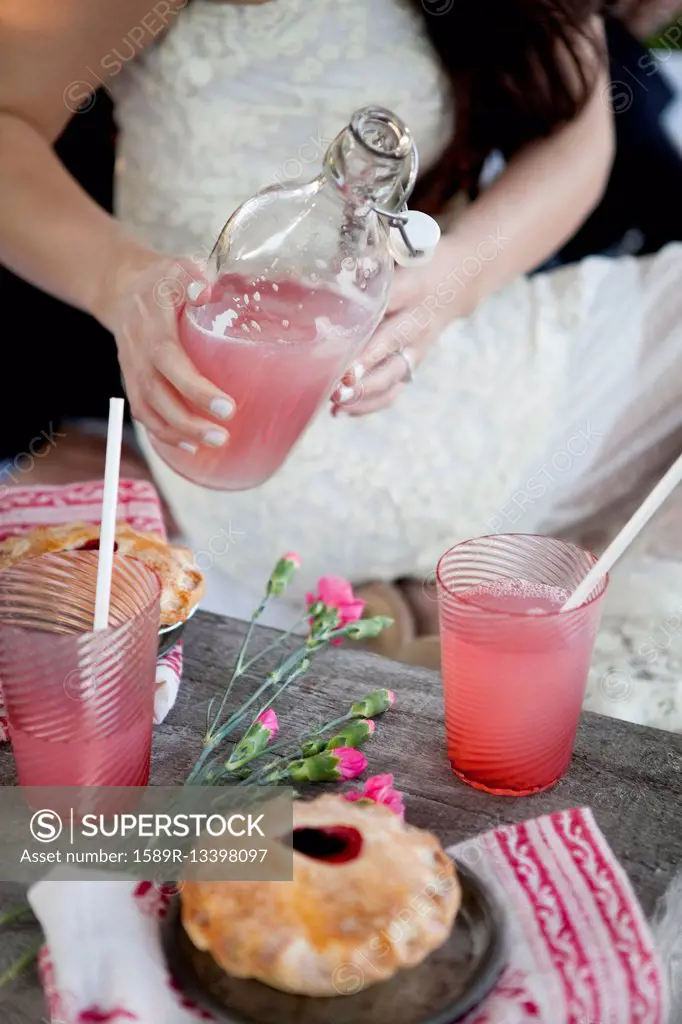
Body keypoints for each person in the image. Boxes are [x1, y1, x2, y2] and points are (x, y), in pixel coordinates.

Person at [1, 1, 682, 682]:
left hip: (405, 364)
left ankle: (442, 610)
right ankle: (528, 633)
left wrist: (452, 280)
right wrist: (119, 283)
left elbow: (579, 137)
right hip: (242, 436)